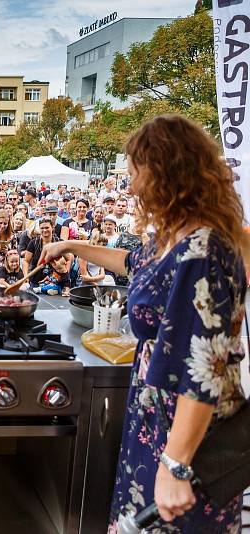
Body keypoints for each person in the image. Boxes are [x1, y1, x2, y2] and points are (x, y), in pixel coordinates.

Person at [40, 115, 249, 533]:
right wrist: (70, 244)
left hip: (188, 436)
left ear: (167, 174)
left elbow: (203, 370)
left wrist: (176, 465)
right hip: (156, 418)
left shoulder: (202, 252)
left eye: (137, 173)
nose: (132, 186)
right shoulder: (174, 236)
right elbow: (130, 262)